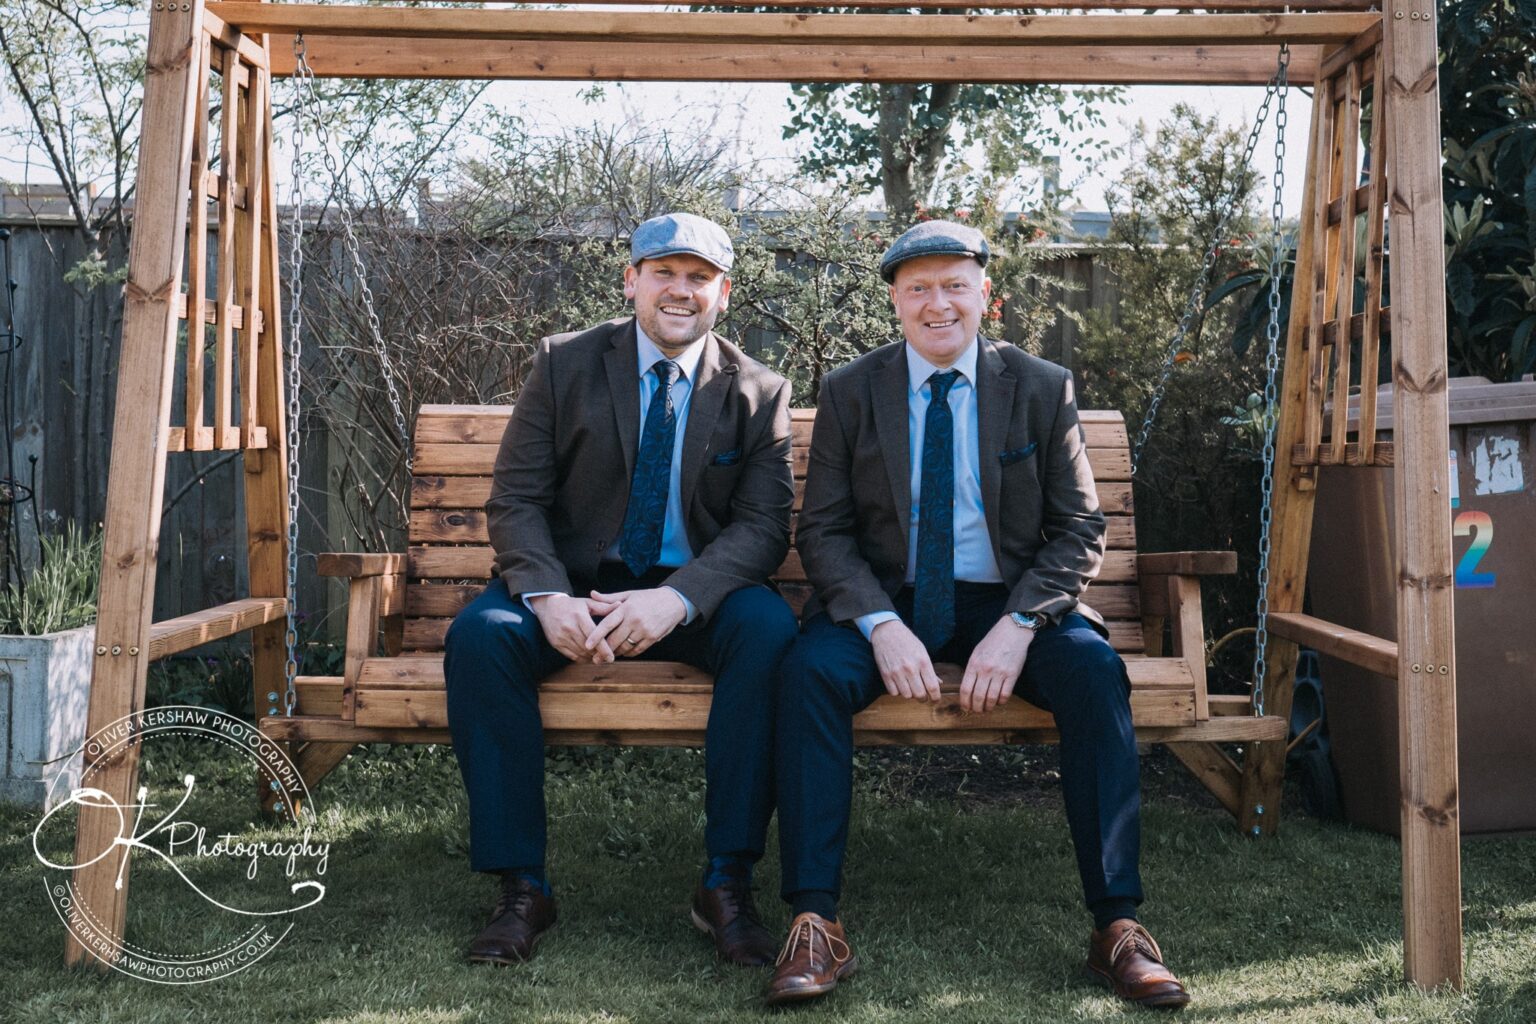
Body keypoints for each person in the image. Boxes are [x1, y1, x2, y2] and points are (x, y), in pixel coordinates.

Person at [766, 221, 1191, 1009]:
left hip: (1009, 601)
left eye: (954, 284)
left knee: (1096, 672)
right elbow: (821, 530)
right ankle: (815, 921)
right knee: (807, 675)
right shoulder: (852, 391)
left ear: (984, 297)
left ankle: (1118, 927)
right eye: (918, 287)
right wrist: (878, 624)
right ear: (894, 300)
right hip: (886, 602)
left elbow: (1078, 530)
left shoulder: (1037, 385)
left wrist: (1021, 624)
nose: (938, 304)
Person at [444, 212, 799, 968]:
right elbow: (517, 499)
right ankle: (521, 888)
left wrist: (677, 598)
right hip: (574, 587)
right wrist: (544, 597)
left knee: (769, 633)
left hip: (692, 597)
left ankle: (727, 882)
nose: (681, 290)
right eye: (664, 272)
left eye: (698, 278)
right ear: (630, 279)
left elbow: (764, 527)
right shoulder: (564, 364)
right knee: (482, 636)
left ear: (723, 294)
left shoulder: (758, 390)